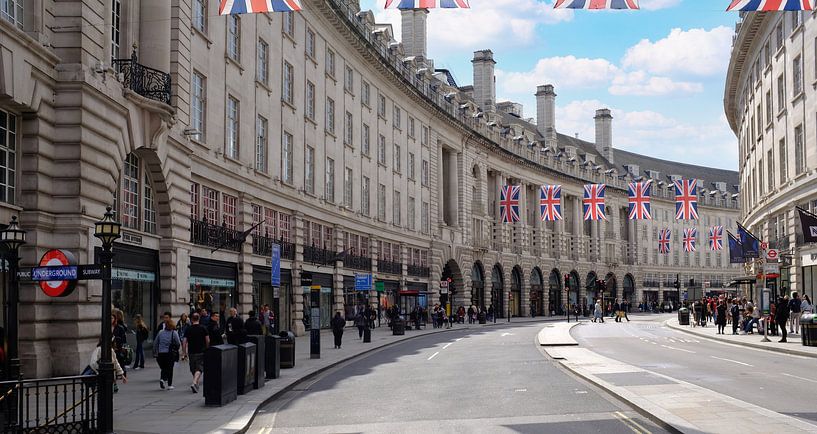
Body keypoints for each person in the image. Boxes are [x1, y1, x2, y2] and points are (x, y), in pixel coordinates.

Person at [183, 313, 209, 393]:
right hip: (201, 351)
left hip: (191, 351)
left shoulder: (188, 329)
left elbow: (184, 342)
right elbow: (207, 340)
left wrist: (184, 353)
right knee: (199, 368)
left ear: (191, 319)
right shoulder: (203, 328)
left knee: (193, 368)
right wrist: (207, 348)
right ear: (199, 319)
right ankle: (194, 383)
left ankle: (196, 383)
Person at [155, 319, 181, 390]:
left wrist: (155, 352)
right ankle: (169, 385)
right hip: (169, 353)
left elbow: (156, 342)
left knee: (163, 368)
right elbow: (178, 343)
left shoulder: (160, 332)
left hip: (161, 353)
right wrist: (176, 349)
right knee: (170, 368)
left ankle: (162, 379)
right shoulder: (174, 333)